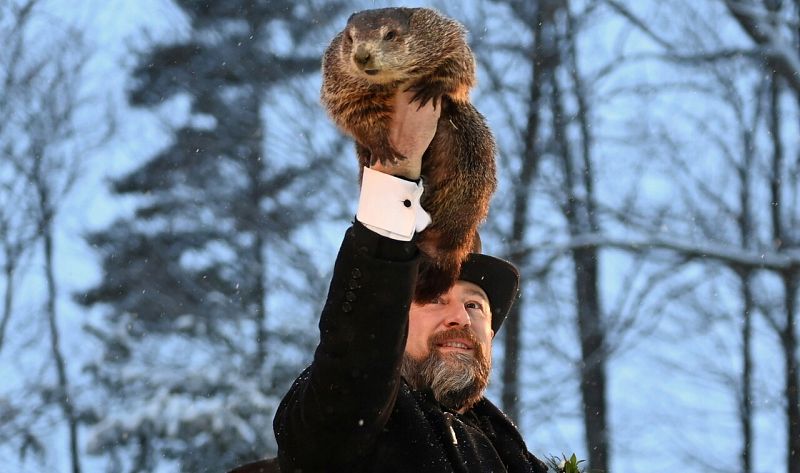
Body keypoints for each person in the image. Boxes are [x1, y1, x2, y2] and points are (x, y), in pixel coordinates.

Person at [229, 91, 547, 473]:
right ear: (392, 317)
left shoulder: (511, 454)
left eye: (474, 304)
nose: (460, 317)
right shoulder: (354, 421)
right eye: (433, 297)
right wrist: (395, 176)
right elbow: (358, 356)